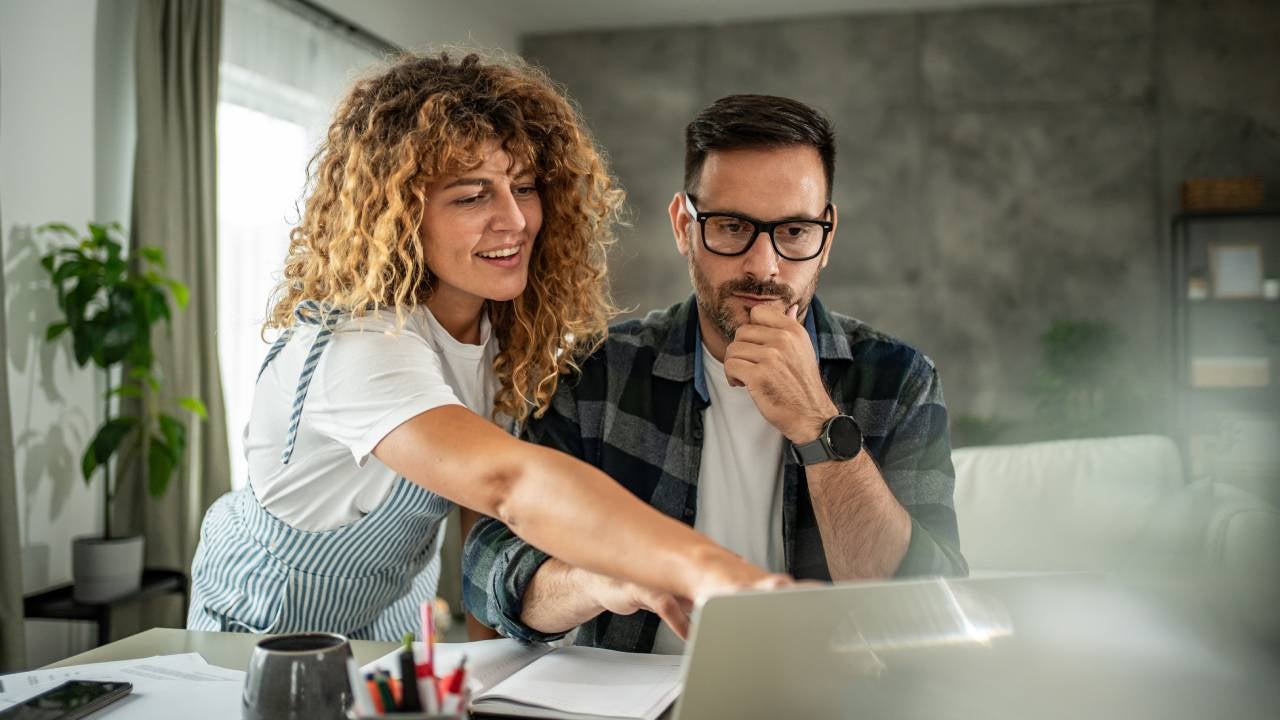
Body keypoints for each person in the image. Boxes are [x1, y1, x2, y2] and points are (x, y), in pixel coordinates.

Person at [186, 55, 790, 642]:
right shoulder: (361, 347)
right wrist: (706, 567)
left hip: (395, 610)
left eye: (523, 187)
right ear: (398, 218)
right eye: (471, 197)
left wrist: (493, 678)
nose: (516, 220)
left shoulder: (507, 337)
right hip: (264, 614)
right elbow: (509, 483)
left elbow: (486, 524)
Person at [464, 94, 968, 653]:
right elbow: (486, 569)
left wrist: (820, 425)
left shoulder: (898, 381)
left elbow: (927, 610)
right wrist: (598, 578)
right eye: (731, 227)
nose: (764, 266)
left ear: (827, 236)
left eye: (795, 232)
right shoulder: (598, 374)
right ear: (684, 226)